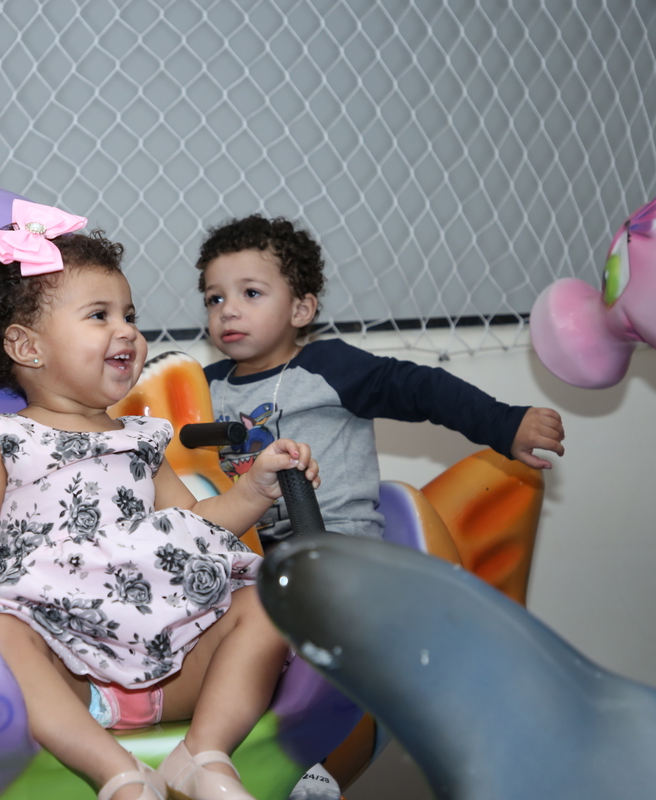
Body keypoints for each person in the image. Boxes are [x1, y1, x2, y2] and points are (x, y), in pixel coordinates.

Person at [0, 200, 321, 800]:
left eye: (129, 314)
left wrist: (255, 487)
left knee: (267, 600)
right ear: (27, 347)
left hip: (175, 662)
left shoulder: (142, 439)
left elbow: (198, 524)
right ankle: (118, 775)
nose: (126, 330)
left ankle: (203, 753)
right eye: (99, 315)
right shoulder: (1, 437)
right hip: (66, 675)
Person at [194, 214, 566, 799]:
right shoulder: (203, 386)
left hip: (336, 550)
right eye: (215, 298)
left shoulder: (329, 369)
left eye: (251, 293)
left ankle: (311, 767)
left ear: (301, 308)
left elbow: (422, 389)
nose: (228, 311)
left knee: (326, 642)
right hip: (245, 561)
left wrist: (504, 423)